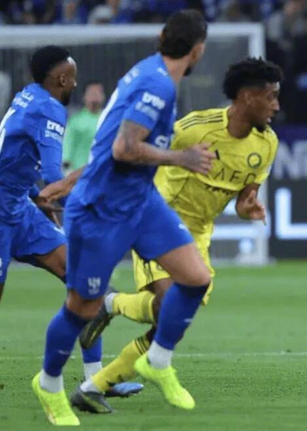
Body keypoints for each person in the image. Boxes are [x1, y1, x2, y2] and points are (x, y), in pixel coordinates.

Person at [32, 10, 213, 426]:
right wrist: (181, 158)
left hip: (140, 201)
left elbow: (107, 144)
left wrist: (68, 180)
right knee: (82, 306)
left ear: (163, 37)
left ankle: (157, 360)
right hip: (102, 209)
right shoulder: (157, 84)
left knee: (195, 278)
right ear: (198, 50)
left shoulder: (150, 72)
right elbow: (123, 149)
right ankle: (49, 383)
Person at [71, 57, 282, 413]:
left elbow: (247, 195)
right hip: (158, 220)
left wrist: (248, 207)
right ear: (247, 96)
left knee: (171, 320)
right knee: (169, 305)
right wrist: (74, 185)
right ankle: (119, 332)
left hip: (198, 234)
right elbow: (132, 150)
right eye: (271, 96)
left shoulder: (267, 144)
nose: (276, 105)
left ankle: (96, 377)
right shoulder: (194, 128)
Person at [0, 45, 142, 410]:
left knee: (84, 282)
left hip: (21, 206)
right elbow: (54, 176)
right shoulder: (49, 107)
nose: (76, 84)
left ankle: (95, 382)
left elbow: (16, 161)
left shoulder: (27, 95)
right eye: (73, 77)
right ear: (61, 79)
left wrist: (39, 200)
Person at [62, 80, 105, 174]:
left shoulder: (108, 119)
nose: (95, 96)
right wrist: (67, 168)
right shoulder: (76, 121)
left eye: (98, 92)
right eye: (91, 93)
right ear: (84, 97)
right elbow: (67, 144)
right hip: (79, 173)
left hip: (103, 173)